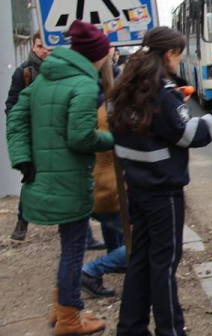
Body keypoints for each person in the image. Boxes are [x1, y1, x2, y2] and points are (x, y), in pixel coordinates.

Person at [109, 27, 212, 336]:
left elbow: (142, 127)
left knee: (139, 260)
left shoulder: (124, 86)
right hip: (163, 192)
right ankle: (171, 330)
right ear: (169, 55)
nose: (179, 62)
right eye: (179, 56)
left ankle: (130, 328)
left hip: (137, 186)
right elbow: (190, 134)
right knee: (164, 264)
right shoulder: (162, 92)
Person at [6, 20, 114, 335]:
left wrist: (22, 158)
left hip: (47, 178)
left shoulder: (46, 77)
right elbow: (81, 137)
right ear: (97, 55)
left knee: (70, 246)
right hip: (70, 181)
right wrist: (113, 139)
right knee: (73, 249)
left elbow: (16, 117)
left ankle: (63, 307)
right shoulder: (82, 84)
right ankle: (68, 318)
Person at [82, 55, 126, 299]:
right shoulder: (106, 106)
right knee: (142, 240)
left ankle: (114, 258)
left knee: (113, 224)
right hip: (110, 181)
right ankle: (90, 271)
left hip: (96, 181)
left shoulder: (87, 100)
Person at [5, 31, 50, 241]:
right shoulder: (24, 72)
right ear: (34, 47)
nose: (45, 51)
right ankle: (22, 222)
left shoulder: (62, 71)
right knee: (30, 178)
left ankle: (74, 228)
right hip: (33, 135)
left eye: (48, 47)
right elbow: (11, 107)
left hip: (54, 134)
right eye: (41, 46)